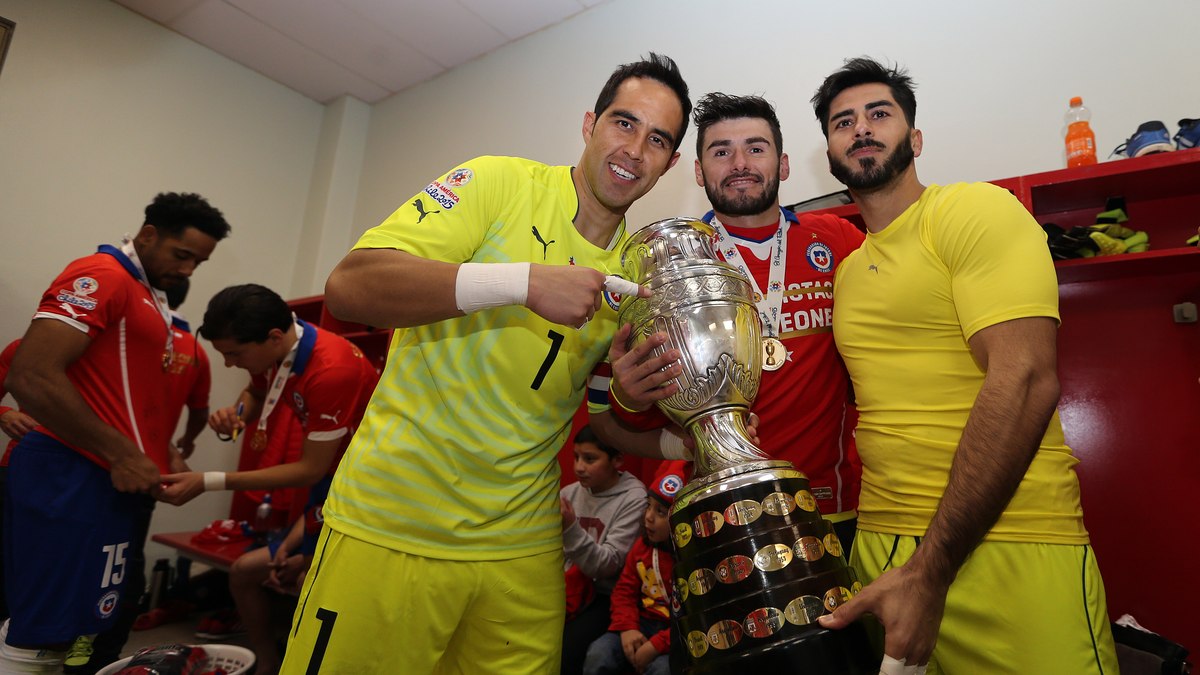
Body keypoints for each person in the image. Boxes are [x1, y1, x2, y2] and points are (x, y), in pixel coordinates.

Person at [278, 53, 692, 674]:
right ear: (590, 123)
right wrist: (520, 283)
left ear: (672, 163)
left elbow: (602, 418)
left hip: (521, 546)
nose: (634, 149)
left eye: (657, 139)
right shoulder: (499, 182)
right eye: (623, 123)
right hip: (397, 521)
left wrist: (634, 402)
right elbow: (350, 286)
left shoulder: (636, 267)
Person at [807, 57, 1119, 674]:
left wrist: (931, 569)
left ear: (915, 138)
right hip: (882, 547)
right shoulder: (846, 272)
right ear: (830, 152)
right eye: (843, 122)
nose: (861, 129)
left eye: (879, 114)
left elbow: (1026, 379)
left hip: (1009, 539)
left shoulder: (975, 212)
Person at [609, 92, 865, 551]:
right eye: (721, 151)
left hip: (834, 506)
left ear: (783, 164)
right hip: (724, 512)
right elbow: (619, 420)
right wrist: (627, 397)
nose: (739, 163)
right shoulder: (667, 264)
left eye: (756, 148)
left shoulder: (838, 240)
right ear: (698, 170)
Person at [1, 193, 230, 672]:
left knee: (78, 622)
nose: (189, 269)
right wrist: (123, 454)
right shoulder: (102, 275)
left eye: (199, 262)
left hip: (110, 482)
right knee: (42, 627)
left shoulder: (151, 300)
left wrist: (160, 455)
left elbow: (129, 402)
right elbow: (32, 375)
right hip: (70, 471)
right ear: (147, 235)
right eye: (181, 255)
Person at [157, 283, 379, 675]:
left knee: (309, 586)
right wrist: (237, 412)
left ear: (274, 337)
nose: (228, 364)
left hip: (365, 497)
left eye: (234, 354)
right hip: (326, 490)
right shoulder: (285, 345)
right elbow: (257, 391)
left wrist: (206, 481)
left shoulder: (331, 369)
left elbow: (310, 468)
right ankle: (268, 663)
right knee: (245, 572)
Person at [65, 278, 217, 674]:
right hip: (143, 471)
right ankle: (104, 653)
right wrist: (179, 444)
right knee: (123, 564)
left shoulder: (130, 337)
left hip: (87, 464)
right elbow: (197, 411)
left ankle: (77, 649)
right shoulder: (193, 350)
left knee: (74, 559)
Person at [582, 460, 685, 675]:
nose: (648, 516)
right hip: (640, 623)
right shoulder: (642, 547)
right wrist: (627, 628)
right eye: (648, 506)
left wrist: (656, 645)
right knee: (598, 654)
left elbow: (690, 618)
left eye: (660, 511)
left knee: (662, 670)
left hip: (673, 635)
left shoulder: (690, 562)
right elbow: (623, 592)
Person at [560, 425, 648, 675]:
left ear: (617, 460)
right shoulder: (569, 493)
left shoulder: (634, 498)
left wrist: (569, 528)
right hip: (569, 588)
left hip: (607, 596)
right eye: (576, 457)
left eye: (590, 459)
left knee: (568, 652)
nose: (579, 467)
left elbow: (608, 565)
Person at [0, 339, 38, 623]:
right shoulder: (23, 348)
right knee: (7, 556)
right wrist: (5, 415)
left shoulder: (115, 354)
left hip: (84, 470)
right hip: (19, 465)